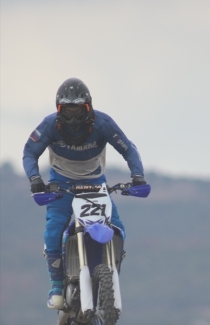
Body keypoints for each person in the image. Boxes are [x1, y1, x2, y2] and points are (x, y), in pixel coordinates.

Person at [22, 78, 146, 309]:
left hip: (95, 184)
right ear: (58, 109)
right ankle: (57, 286)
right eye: (67, 110)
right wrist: (35, 178)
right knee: (52, 234)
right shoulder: (49, 125)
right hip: (61, 185)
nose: (73, 117)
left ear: (88, 107)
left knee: (117, 230)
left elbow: (128, 149)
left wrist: (137, 175)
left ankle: (108, 275)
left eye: (78, 109)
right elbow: (30, 152)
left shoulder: (104, 123)